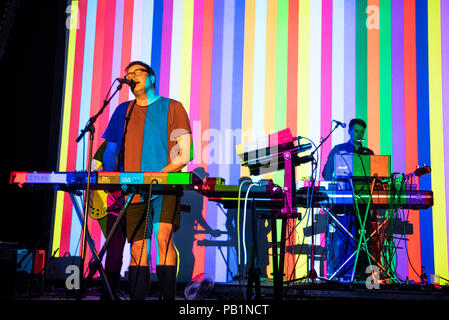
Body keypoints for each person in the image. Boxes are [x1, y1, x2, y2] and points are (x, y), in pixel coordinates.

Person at [101, 61, 193, 300]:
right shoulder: (123, 111)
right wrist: (112, 186)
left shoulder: (173, 108)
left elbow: (184, 153)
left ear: (152, 78)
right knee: (138, 247)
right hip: (133, 190)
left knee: (163, 239)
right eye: (128, 74)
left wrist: (159, 174)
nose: (132, 77)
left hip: (165, 187)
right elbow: (111, 153)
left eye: (137, 72)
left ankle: (168, 298)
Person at [321, 118, 378, 281]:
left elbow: (375, 177)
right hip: (343, 203)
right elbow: (327, 172)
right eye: (357, 131)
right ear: (350, 131)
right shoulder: (339, 150)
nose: (360, 134)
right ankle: (340, 275)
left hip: (363, 203)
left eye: (362, 132)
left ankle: (363, 276)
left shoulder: (368, 153)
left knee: (365, 238)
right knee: (342, 238)